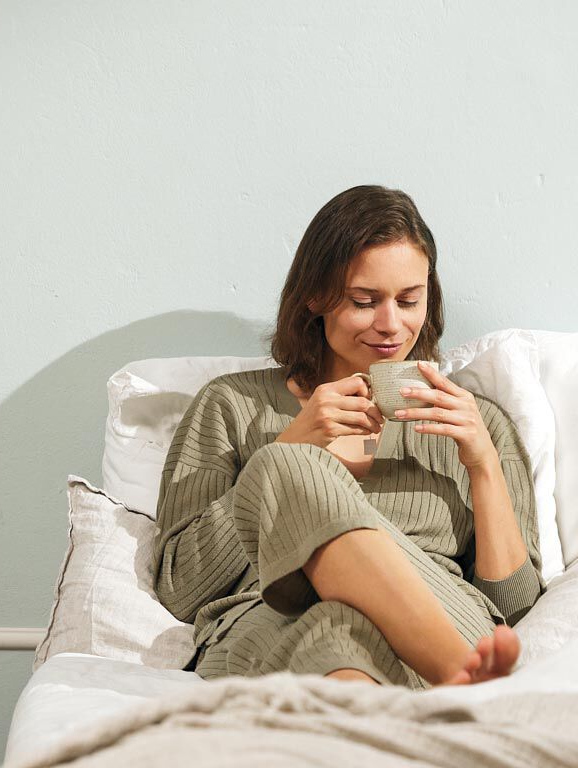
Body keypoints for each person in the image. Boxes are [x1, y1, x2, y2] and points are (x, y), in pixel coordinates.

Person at [152, 185, 543, 688]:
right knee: (335, 624)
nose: (390, 325)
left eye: (408, 300)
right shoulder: (230, 407)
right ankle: (461, 690)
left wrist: (484, 466)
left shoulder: (476, 422)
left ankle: (448, 665)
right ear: (316, 296)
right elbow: (181, 588)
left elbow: (515, 610)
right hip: (271, 627)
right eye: (365, 301)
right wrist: (293, 444)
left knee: (286, 474)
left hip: (444, 620)